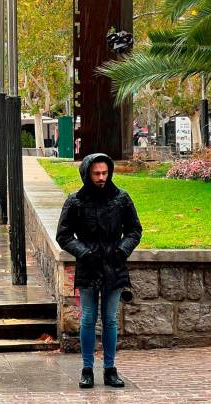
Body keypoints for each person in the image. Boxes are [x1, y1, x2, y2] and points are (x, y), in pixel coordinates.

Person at [56, 153, 142, 389]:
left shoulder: (121, 198)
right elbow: (63, 235)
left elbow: (134, 230)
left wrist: (122, 250)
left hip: (114, 265)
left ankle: (110, 369)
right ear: (87, 174)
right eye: (96, 173)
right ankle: (87, 369)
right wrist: (84, 252)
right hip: (89, 266)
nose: (101, 177)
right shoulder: (76, 201)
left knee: (110, 319)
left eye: (105, 173)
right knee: (88, 318)